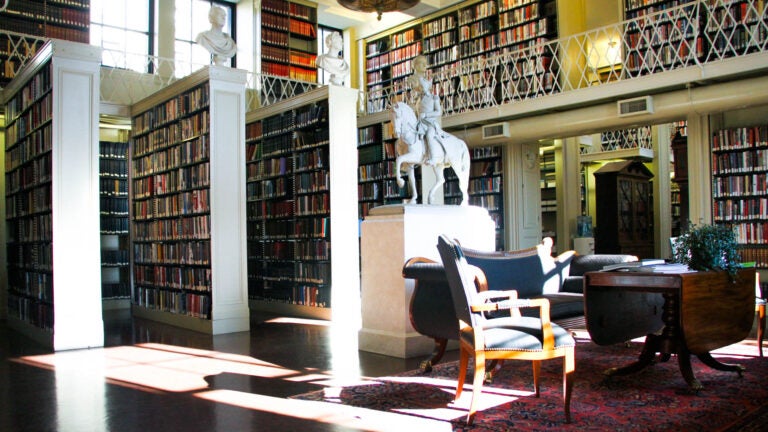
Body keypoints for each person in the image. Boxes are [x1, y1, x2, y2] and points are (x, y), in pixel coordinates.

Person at [408, 55, 445, 165]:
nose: (425, 66)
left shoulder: (433, 98)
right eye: (421, 63)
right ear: (415, 66)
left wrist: (427, 115)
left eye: (425, 63)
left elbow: (438, 112)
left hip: (429, 123)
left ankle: (433, 157)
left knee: (429, 135)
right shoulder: (414, 82)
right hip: (419, 121)